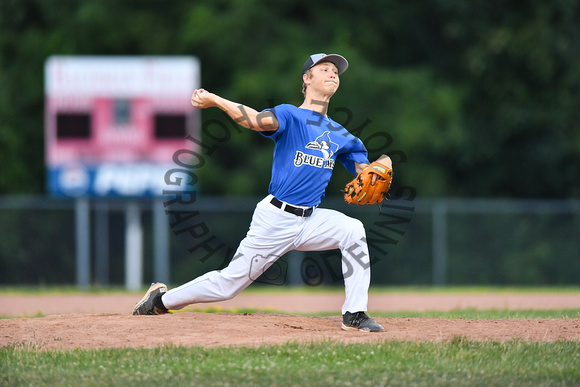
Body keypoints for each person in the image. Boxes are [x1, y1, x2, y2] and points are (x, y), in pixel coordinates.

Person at [133, 53, 392, 332]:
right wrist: (216, 100)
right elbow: (254, 120)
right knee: (228, 285)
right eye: (325, 69)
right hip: (275, 218)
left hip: (311, 220)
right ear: (306, 79)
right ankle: (161, 300)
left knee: (353, 230)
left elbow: (364, 170)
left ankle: (354, 314)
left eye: (336, 72)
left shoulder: (342, 135)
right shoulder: (289, 115)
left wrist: (383, 165)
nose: (333, 74)